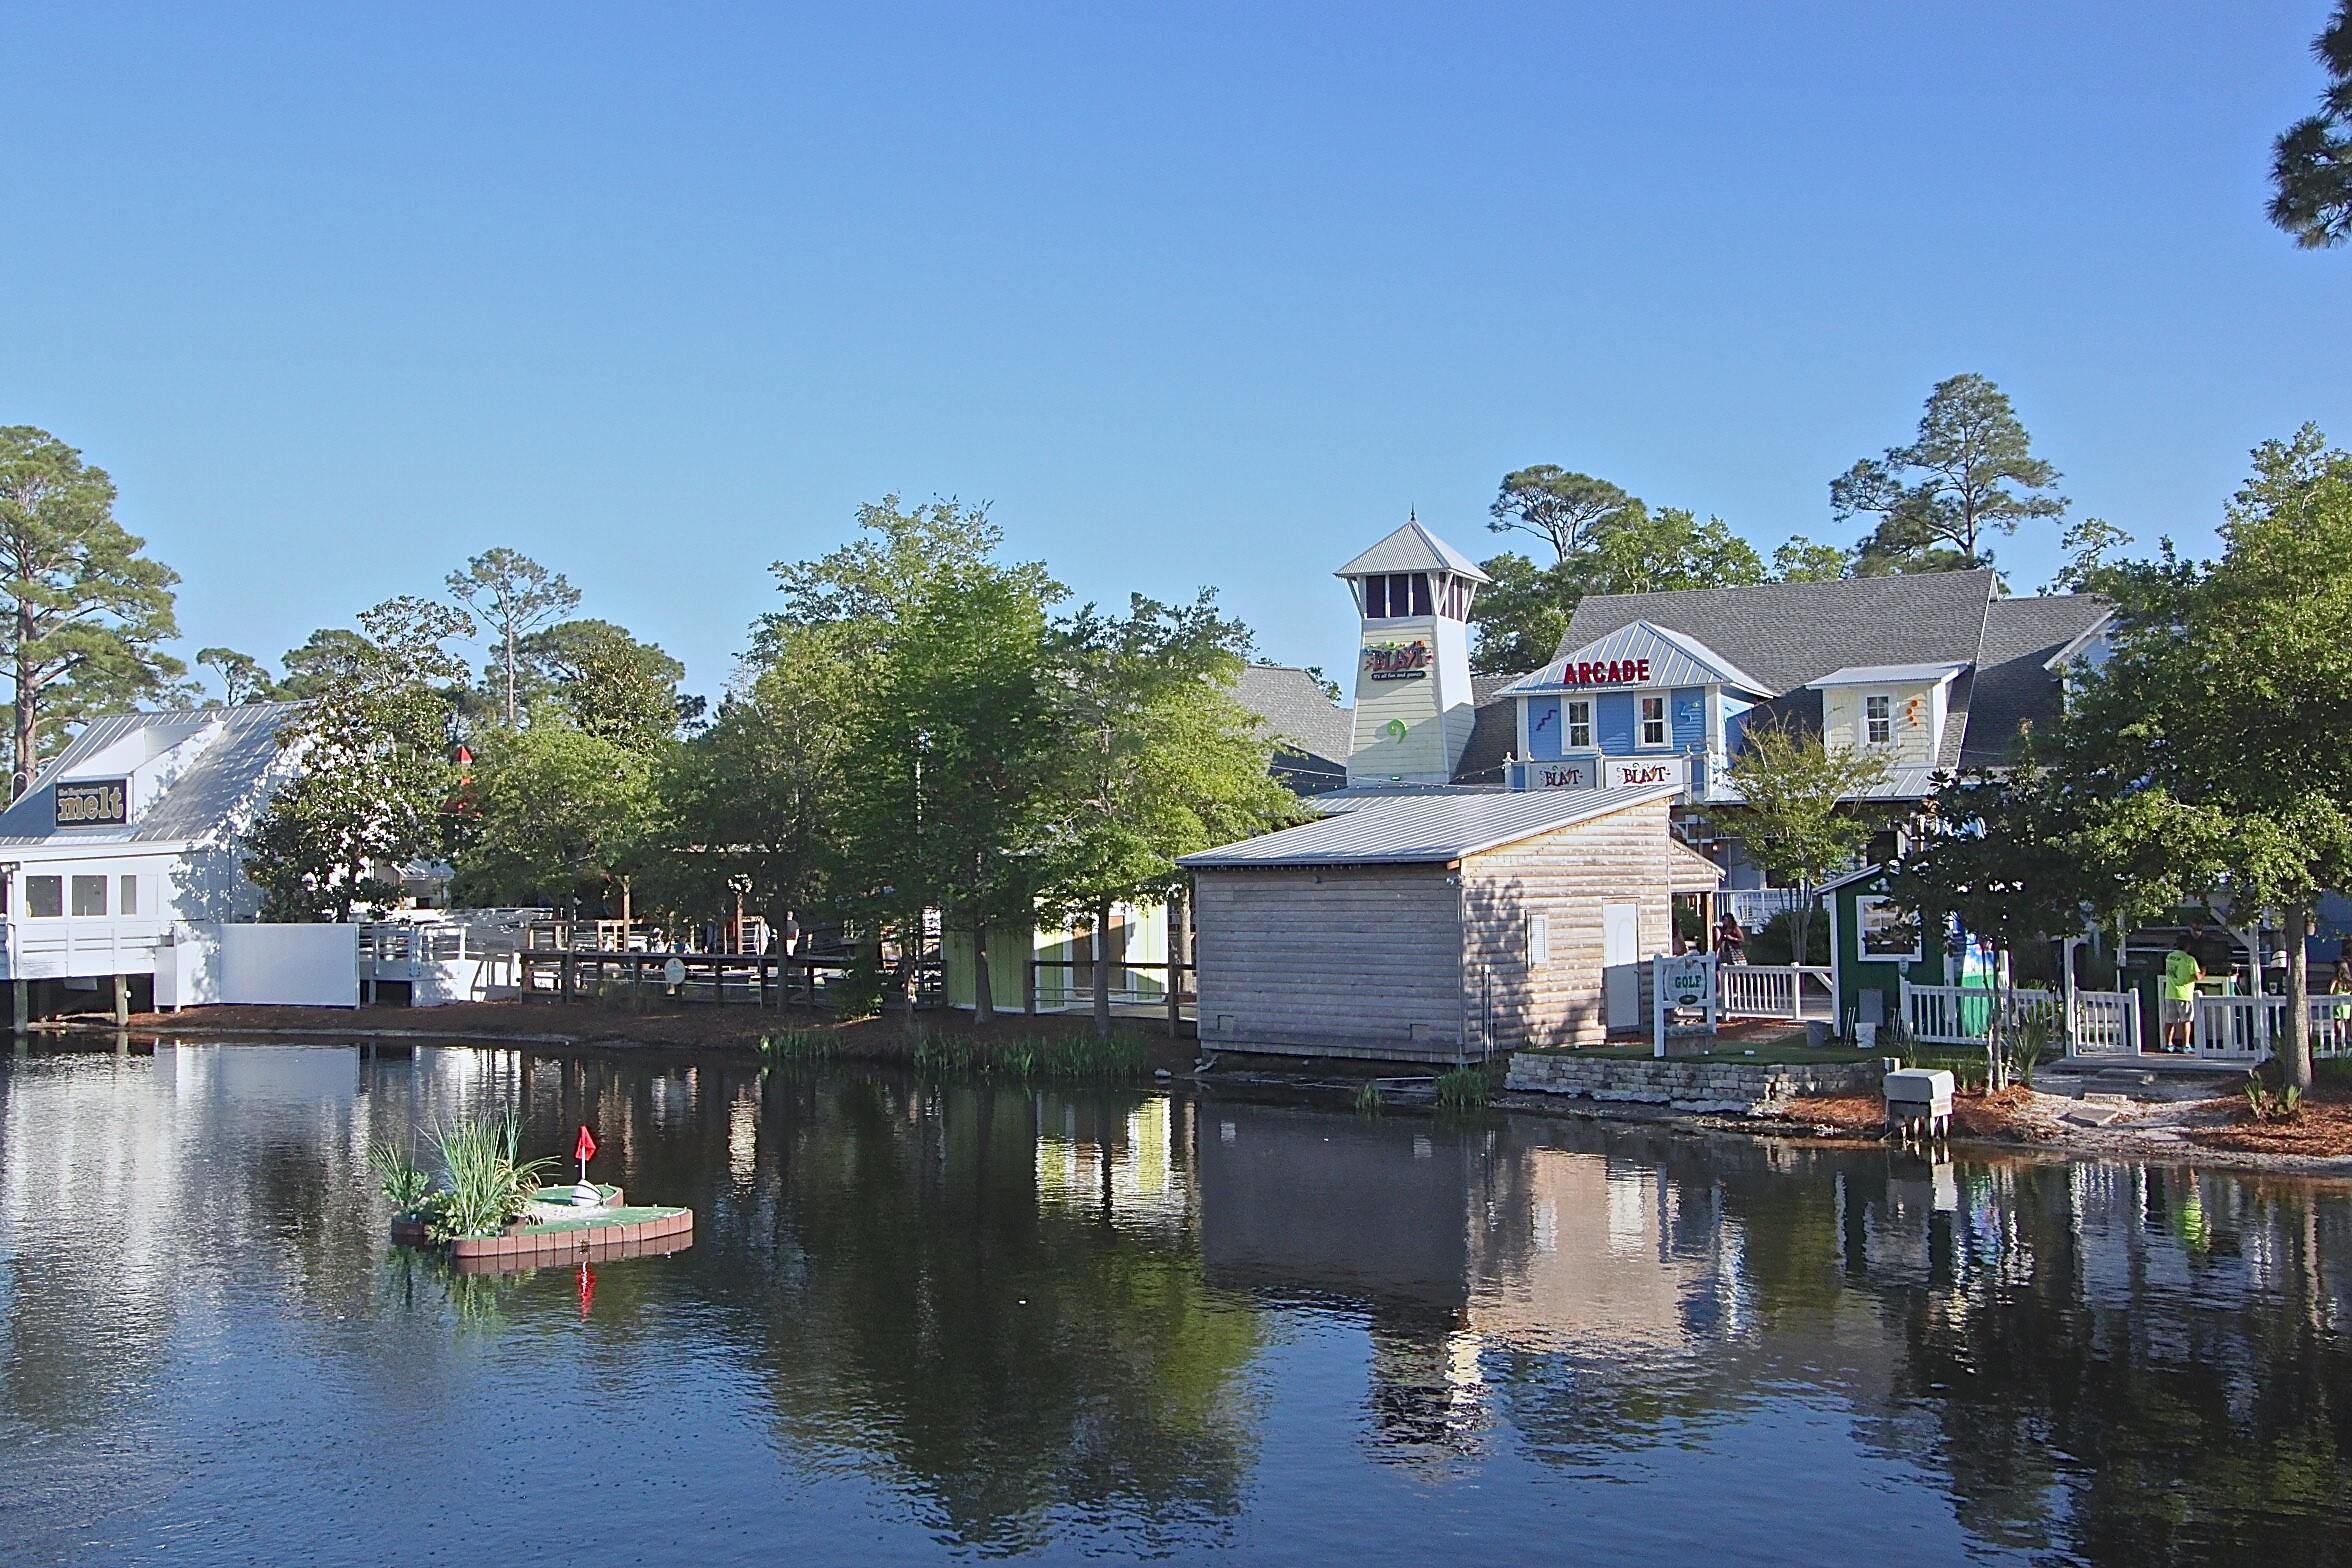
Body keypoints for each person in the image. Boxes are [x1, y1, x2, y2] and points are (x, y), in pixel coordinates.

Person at [2161, 933, 2204, 1053]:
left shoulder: (2170, 956)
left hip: (2170, 992)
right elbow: (2197, 976)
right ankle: (2186, 1045)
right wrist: (2204, 970)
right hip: (2184, 993)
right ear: (2188, 946)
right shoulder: (2189, 959)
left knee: (2170, 1021)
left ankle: (2169, 1045)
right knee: (2186, 1021)